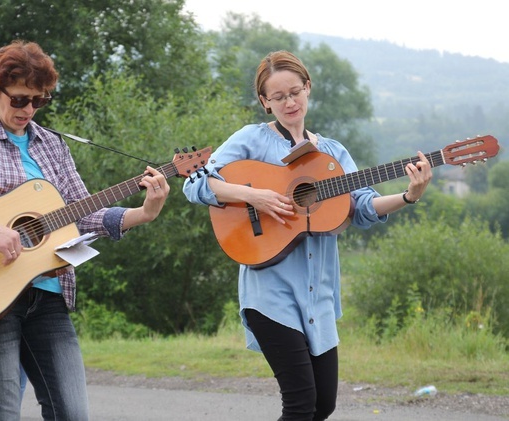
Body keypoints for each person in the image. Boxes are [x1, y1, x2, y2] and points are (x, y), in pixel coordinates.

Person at [0, 40, 170, 421]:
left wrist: (143, 212)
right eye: (21, 99)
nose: (29, 110)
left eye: (39, 101)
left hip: (49, 297)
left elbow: (82, 214)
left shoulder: (53, 146)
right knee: (3, 415)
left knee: (73, 414)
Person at [182, 50, 432, 421]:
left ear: (308, 88)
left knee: (323, 405)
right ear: (265, 102)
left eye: (295, 92)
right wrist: (255, 196)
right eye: (278, 96)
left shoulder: (331, 153)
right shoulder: (252, 140)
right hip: (270, 295)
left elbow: (361, 207)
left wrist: (410, 195)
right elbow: (195, 183)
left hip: (320, 297)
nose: (289, 102)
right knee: (300, 405)